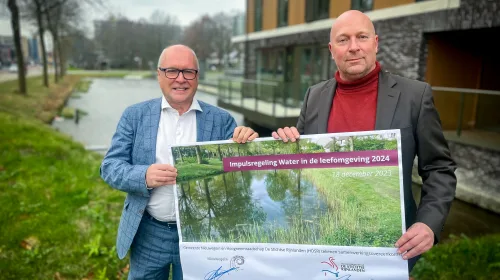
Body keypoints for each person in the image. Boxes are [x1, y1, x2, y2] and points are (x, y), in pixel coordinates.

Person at [272, 10, 457, 273]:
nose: (354, 47)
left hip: (391, 247)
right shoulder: (314, 96)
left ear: (376, 43)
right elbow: (302, 166)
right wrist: (284, 146)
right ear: (331, 49)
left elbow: (439, 169)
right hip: (323, 242)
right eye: (343, 40)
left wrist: (428, 224)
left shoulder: (415, 96)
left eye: (362, 37)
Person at [100, 44, 258, 280]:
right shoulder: (134, 116)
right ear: (159, 74)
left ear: (197, 76)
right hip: (148, 233)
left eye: (188, 72)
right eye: (172, 71)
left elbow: (239, 179)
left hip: (202, 234)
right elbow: (110, 167)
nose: (181, 79)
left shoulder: (222, 120)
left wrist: (248, 146)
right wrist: (143, 176)